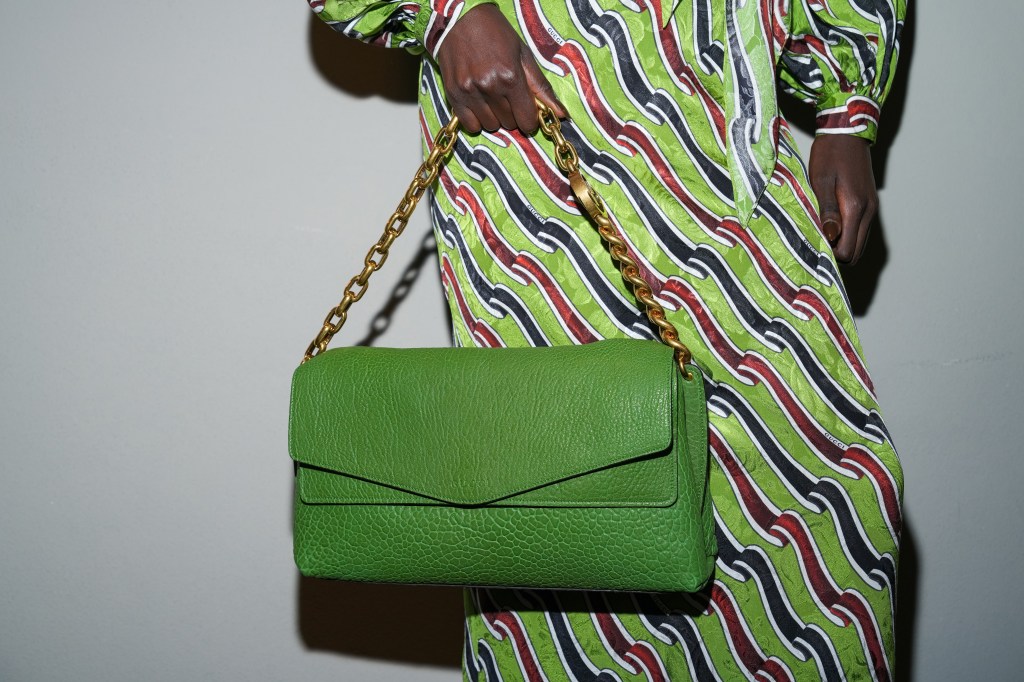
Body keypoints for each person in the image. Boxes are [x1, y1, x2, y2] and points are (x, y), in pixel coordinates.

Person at [307, 0, 906, 678]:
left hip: (736, 145)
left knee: (833, 499)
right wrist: (452, 14)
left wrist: (846, 110)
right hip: (539, 141)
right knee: (571, 511)